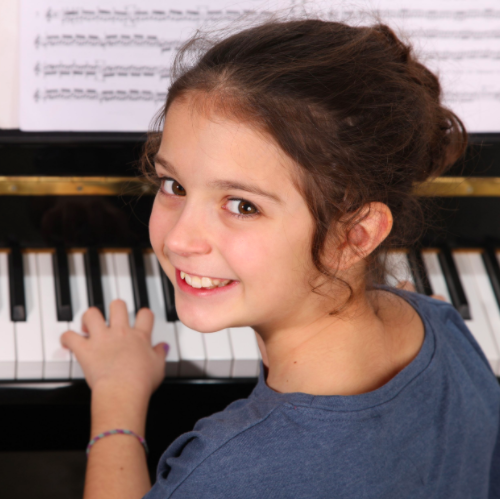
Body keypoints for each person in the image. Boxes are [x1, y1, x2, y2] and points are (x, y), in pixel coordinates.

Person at [61, 17, 500, 499]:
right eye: (174, 185)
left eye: (242, 206)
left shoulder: (221, 472)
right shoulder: (439, 321)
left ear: (355, 235)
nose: (179, 240)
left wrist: (117, 400)